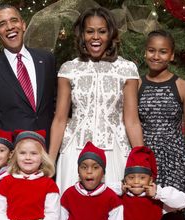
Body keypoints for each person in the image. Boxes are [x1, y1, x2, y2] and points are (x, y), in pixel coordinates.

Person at [49, 7, 144, 193]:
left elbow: (131, 120)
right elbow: (60, 119)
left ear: (111, 34)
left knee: (112, 212)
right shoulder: (70, 69)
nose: (95, 37)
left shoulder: (126, 69)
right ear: (82, 35)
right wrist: (50, 161)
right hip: (74, 149)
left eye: (102, 31)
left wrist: (141, 160)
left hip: (114, 150)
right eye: (89, 31)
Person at [138, 29, 185, 212]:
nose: (156, 56)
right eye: (152, 50)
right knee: (146, 218)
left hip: (175, 160)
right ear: (145, 52)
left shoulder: (184, 87)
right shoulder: (136, 85)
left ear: (172, 55)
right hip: (146, 158)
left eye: (163, 51)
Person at [0, 4, 57, 145]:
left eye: (14, 20)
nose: (10, 27)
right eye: (2, 24)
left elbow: (57, 106)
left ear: (23, 25)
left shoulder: (46, 59)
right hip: (12, 156)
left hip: (48, 151)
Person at [0, 130, 59, 220]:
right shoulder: (5, 182)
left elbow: (52, 216)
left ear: (42, 157)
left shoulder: (49, 185)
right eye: (22, 153)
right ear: (15, 156)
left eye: (33, 153)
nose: (27, 157)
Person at [114, 146, 185, 220]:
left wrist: (158, 192)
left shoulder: (157, 201)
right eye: (131, 177)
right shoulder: (119, 198)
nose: (136, 181)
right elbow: (102, 192)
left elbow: (184, 201)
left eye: (142, 178)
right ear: (125, 180)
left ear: (150, 180)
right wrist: (119, 187)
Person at [52, 141, 124, 220]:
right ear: (78, 171)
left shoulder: (112, 198)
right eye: (84, 167)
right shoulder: (68, 195)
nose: (89, 171)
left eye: (95, 167)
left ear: (103, 172)